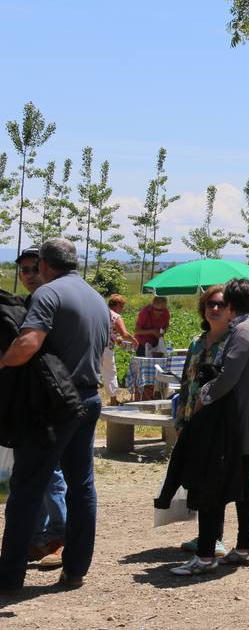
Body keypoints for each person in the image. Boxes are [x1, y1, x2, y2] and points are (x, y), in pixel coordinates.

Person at [0, 239, 108, 592]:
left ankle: (10, 576)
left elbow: (28, 344)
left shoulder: (49, 294)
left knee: (27, 489)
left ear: (45, 264)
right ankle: (75, 571)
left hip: (56, 404)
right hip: (90, 399)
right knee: (82, 487)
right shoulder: (96, 298)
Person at [166, 280, 249, 575]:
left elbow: (228, 377)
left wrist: (203, 398)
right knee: (242, 482)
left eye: (222, 304)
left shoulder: (242, 331)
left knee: (212, 483)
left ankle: (205, 556)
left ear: (230, 305)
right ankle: (244, 546)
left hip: (233, 421)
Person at [12, 247, 66, 571]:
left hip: (51, 400)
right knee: (31, 472)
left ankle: (58, 536)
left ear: (45, 268)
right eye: (24, 271)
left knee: (52, 472)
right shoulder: (29, 303)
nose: (29, 276)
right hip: (29, 399)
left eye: (34, 269)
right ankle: (38, 536)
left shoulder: (51, 301)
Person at [102, 294, 133, 398]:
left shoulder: (101, 312)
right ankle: (113, 399)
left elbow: (107, 331)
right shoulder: (115, 316)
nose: (122, 309)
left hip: (94, 346)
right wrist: (134, 341)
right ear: (117, 305)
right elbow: (124, 334)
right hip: (106, 349)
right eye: (122, 306)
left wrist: (116, 338)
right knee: (110, 373)